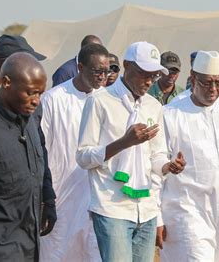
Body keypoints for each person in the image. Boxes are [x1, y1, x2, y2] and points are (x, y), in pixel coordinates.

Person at [76, 41, 186, 262]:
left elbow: (156, 155)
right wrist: (123, 143)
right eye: (143, 74)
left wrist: (168, 166)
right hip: (112, 207)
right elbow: (83, 157)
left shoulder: (153, 106)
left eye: (153, 76)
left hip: (145, 208)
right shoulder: (100, 102)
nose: (148, 81)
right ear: (126, 65)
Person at [158, 50, 219, 262]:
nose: (213, 89)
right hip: (185, 209)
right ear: (193, 79)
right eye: (207, 82)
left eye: (218, 83)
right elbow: (154, 168)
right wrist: (156, 217)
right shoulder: (170, 115)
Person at [40, 43, 110, 261]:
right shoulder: (53, 99)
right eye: (97, 70)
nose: (102, 76)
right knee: (57, 252)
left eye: (106, 71)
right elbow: (41, 149)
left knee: (93, 252)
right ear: (80, 67)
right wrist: (45, 196)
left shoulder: (107, 99)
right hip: (61, 197)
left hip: (95, 196)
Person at [0, 35, 57, 236]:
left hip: (27, 223)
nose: (35, 99)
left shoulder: (32, 103)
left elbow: (39, 149)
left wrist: (47, 197)